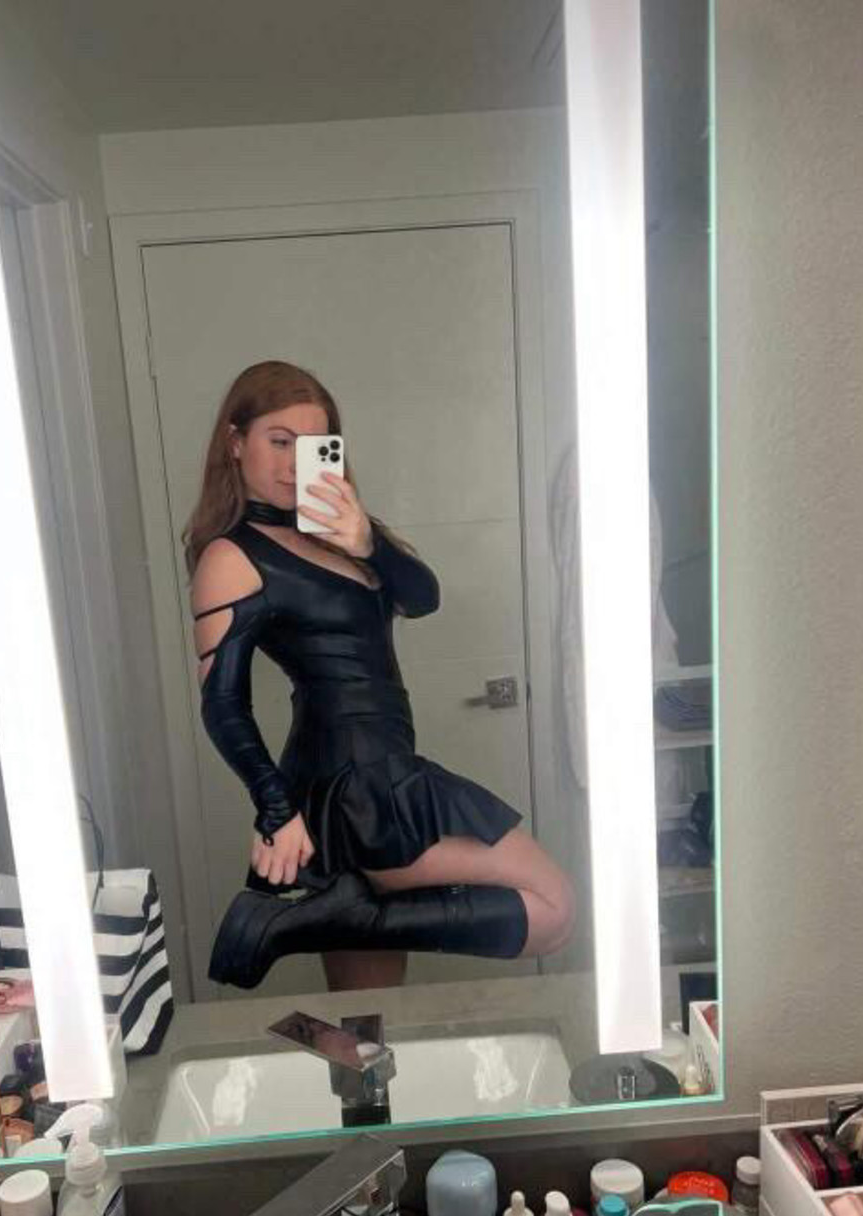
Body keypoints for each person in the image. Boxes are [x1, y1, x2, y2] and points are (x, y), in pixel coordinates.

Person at [186, 361, 574, 991]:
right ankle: (315, 920)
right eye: (279, 441)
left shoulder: (335, 534)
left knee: (366, 1018)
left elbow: (423, 597)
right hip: (356, 786)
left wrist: (368, 541)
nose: (294, 464)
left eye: (313, 446)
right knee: (554, 908)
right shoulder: (232, 556)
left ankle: (331, 917)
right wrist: (276, 810)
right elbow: (223, 703)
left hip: (374, 772)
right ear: (235, 442)